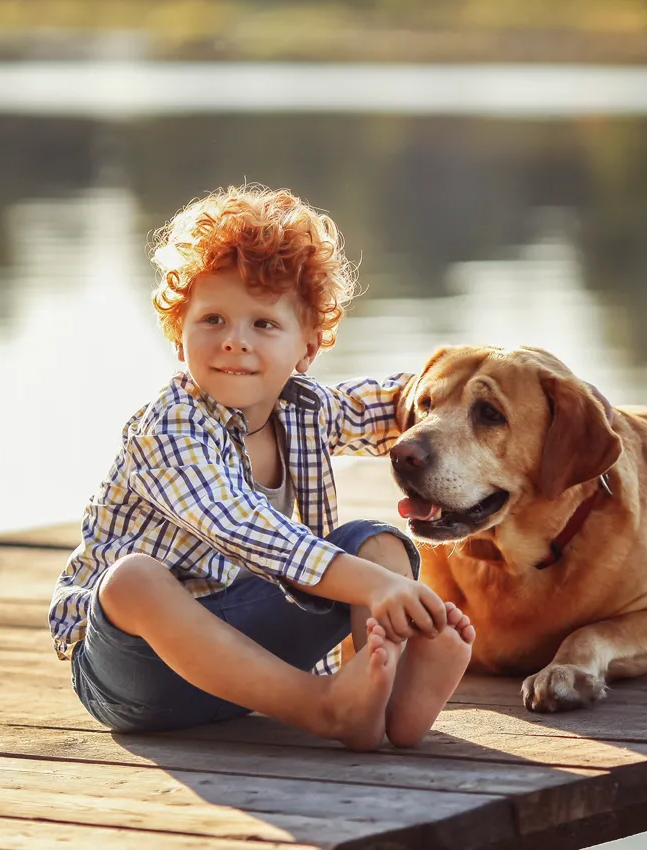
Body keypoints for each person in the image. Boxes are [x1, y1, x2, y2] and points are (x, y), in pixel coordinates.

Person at [49, 185, 474, 750]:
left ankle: (391, 701)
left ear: (308, 348)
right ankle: (323, 709)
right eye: (213, 320)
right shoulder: (170, 429)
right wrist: (373, 588)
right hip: (135, 673)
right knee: (132, 579)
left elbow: (398, 401)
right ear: (180, 335)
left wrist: (503, 383)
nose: (233, 342)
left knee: (380, 544)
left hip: (246, 663)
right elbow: (245, 527)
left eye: (263, 325)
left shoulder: (304, 408)